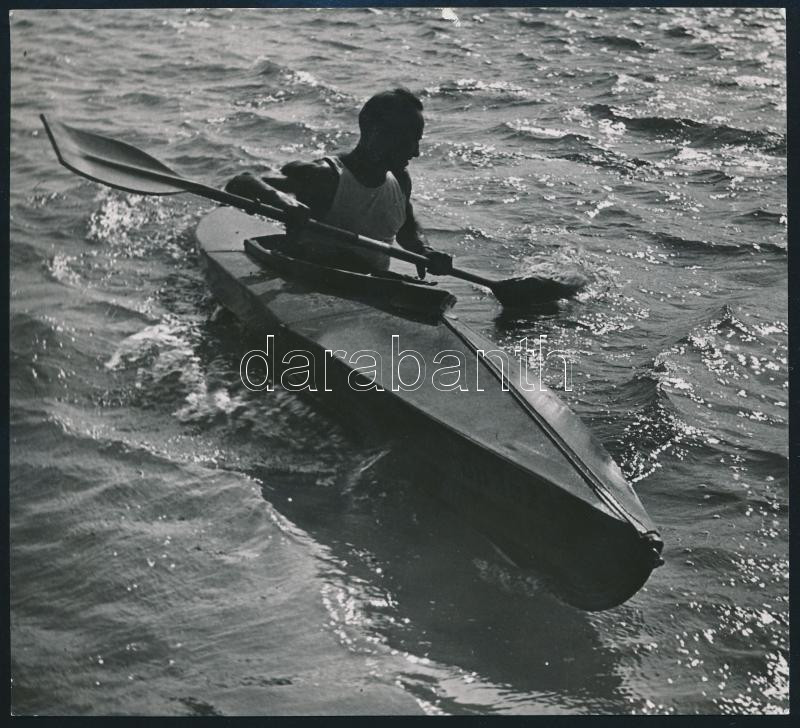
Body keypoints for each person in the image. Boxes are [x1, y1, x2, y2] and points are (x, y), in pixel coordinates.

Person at [225, 88, 453, 278]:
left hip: (370, 289)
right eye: (410, 141)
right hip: (309, 280)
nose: (416, 152)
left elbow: (407, 231)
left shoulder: (401, 182)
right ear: (378, 134)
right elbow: (241, 182)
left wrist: (424, 250)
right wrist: (282, 201)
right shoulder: (326, 177)